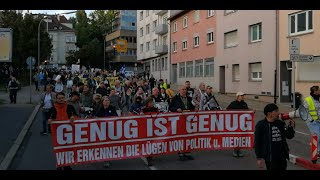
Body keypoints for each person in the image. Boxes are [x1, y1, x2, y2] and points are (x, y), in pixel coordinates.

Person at [254, 103, 295, 170]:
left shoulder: (280, 123)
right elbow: (257, 142)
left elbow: (289, 136)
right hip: (270, 158)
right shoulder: (261, 125)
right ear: (269, 113)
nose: (278, 113)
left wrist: (290, 127)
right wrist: (259, 158)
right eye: (276, 111)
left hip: (282, 157)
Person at [48, 92, 78, 170]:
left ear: (64, 98)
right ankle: (59, 164)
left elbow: (76, 117)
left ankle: (67, 165)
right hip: (57, 134)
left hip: (68, 133)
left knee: (68, 150)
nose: (61, 99)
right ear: (56, 99)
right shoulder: (52, 108)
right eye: (59, 98)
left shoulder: (70, 107)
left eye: (62, 98)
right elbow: (49, 120)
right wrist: (49, 121)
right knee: (59, 150)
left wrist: (73, 118)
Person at [169, 85, 195, 161]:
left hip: (188, 120)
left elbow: (192, 108)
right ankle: (180, 153)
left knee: (188, 137)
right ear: (179, 90)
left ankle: (187, 153)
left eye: (185, 89)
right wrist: (176, 109)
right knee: (180, 137)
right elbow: (170, 108)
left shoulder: (189, 98)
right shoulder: (175, 98)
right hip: (179, 121)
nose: (184, 90)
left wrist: (195, 108)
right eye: (182, 89)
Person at [226, 91, 254, 157]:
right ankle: (235, 150)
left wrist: (252, 111)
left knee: (241, 136)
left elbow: (247, 111)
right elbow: (227, 111)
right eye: (241, 95)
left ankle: (239, 150)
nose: (243, 97)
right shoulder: (233, 103)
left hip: (242, 124)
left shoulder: (244, 103)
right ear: (237, 96)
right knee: (236, 136)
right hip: (235, 124)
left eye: (243, 95)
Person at [96, 96, 118, 168]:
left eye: (108, 100)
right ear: (102, 102)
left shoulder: (112, 108)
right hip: (102, 130)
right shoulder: (99, 109)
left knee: (109, 144)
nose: (107, 101)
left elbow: (116, 117)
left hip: (110, 129)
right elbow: (95, 118)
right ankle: (105, 159)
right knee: (103, 145)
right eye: (105, 100)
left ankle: (108, 158)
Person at [302, 85, 320, 156]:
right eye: (318, 90)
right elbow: (305, 111)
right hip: (312, 122)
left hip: (319, 121)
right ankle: (317, 152)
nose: (319, 91)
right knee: (318, 136)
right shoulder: (308, 100)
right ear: (315, 91)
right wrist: (311, 120)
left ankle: (318, 149)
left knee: (319, 136)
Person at [142, 97, 159, 166]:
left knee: (153, 142)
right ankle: (148, 157)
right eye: (150, 102)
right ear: (147, 103)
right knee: (148, 143)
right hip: (146, 129)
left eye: (152, 102)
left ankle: (151, 156)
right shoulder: (143, 110)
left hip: (154, 129)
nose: (151, 104)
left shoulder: (156, 109)